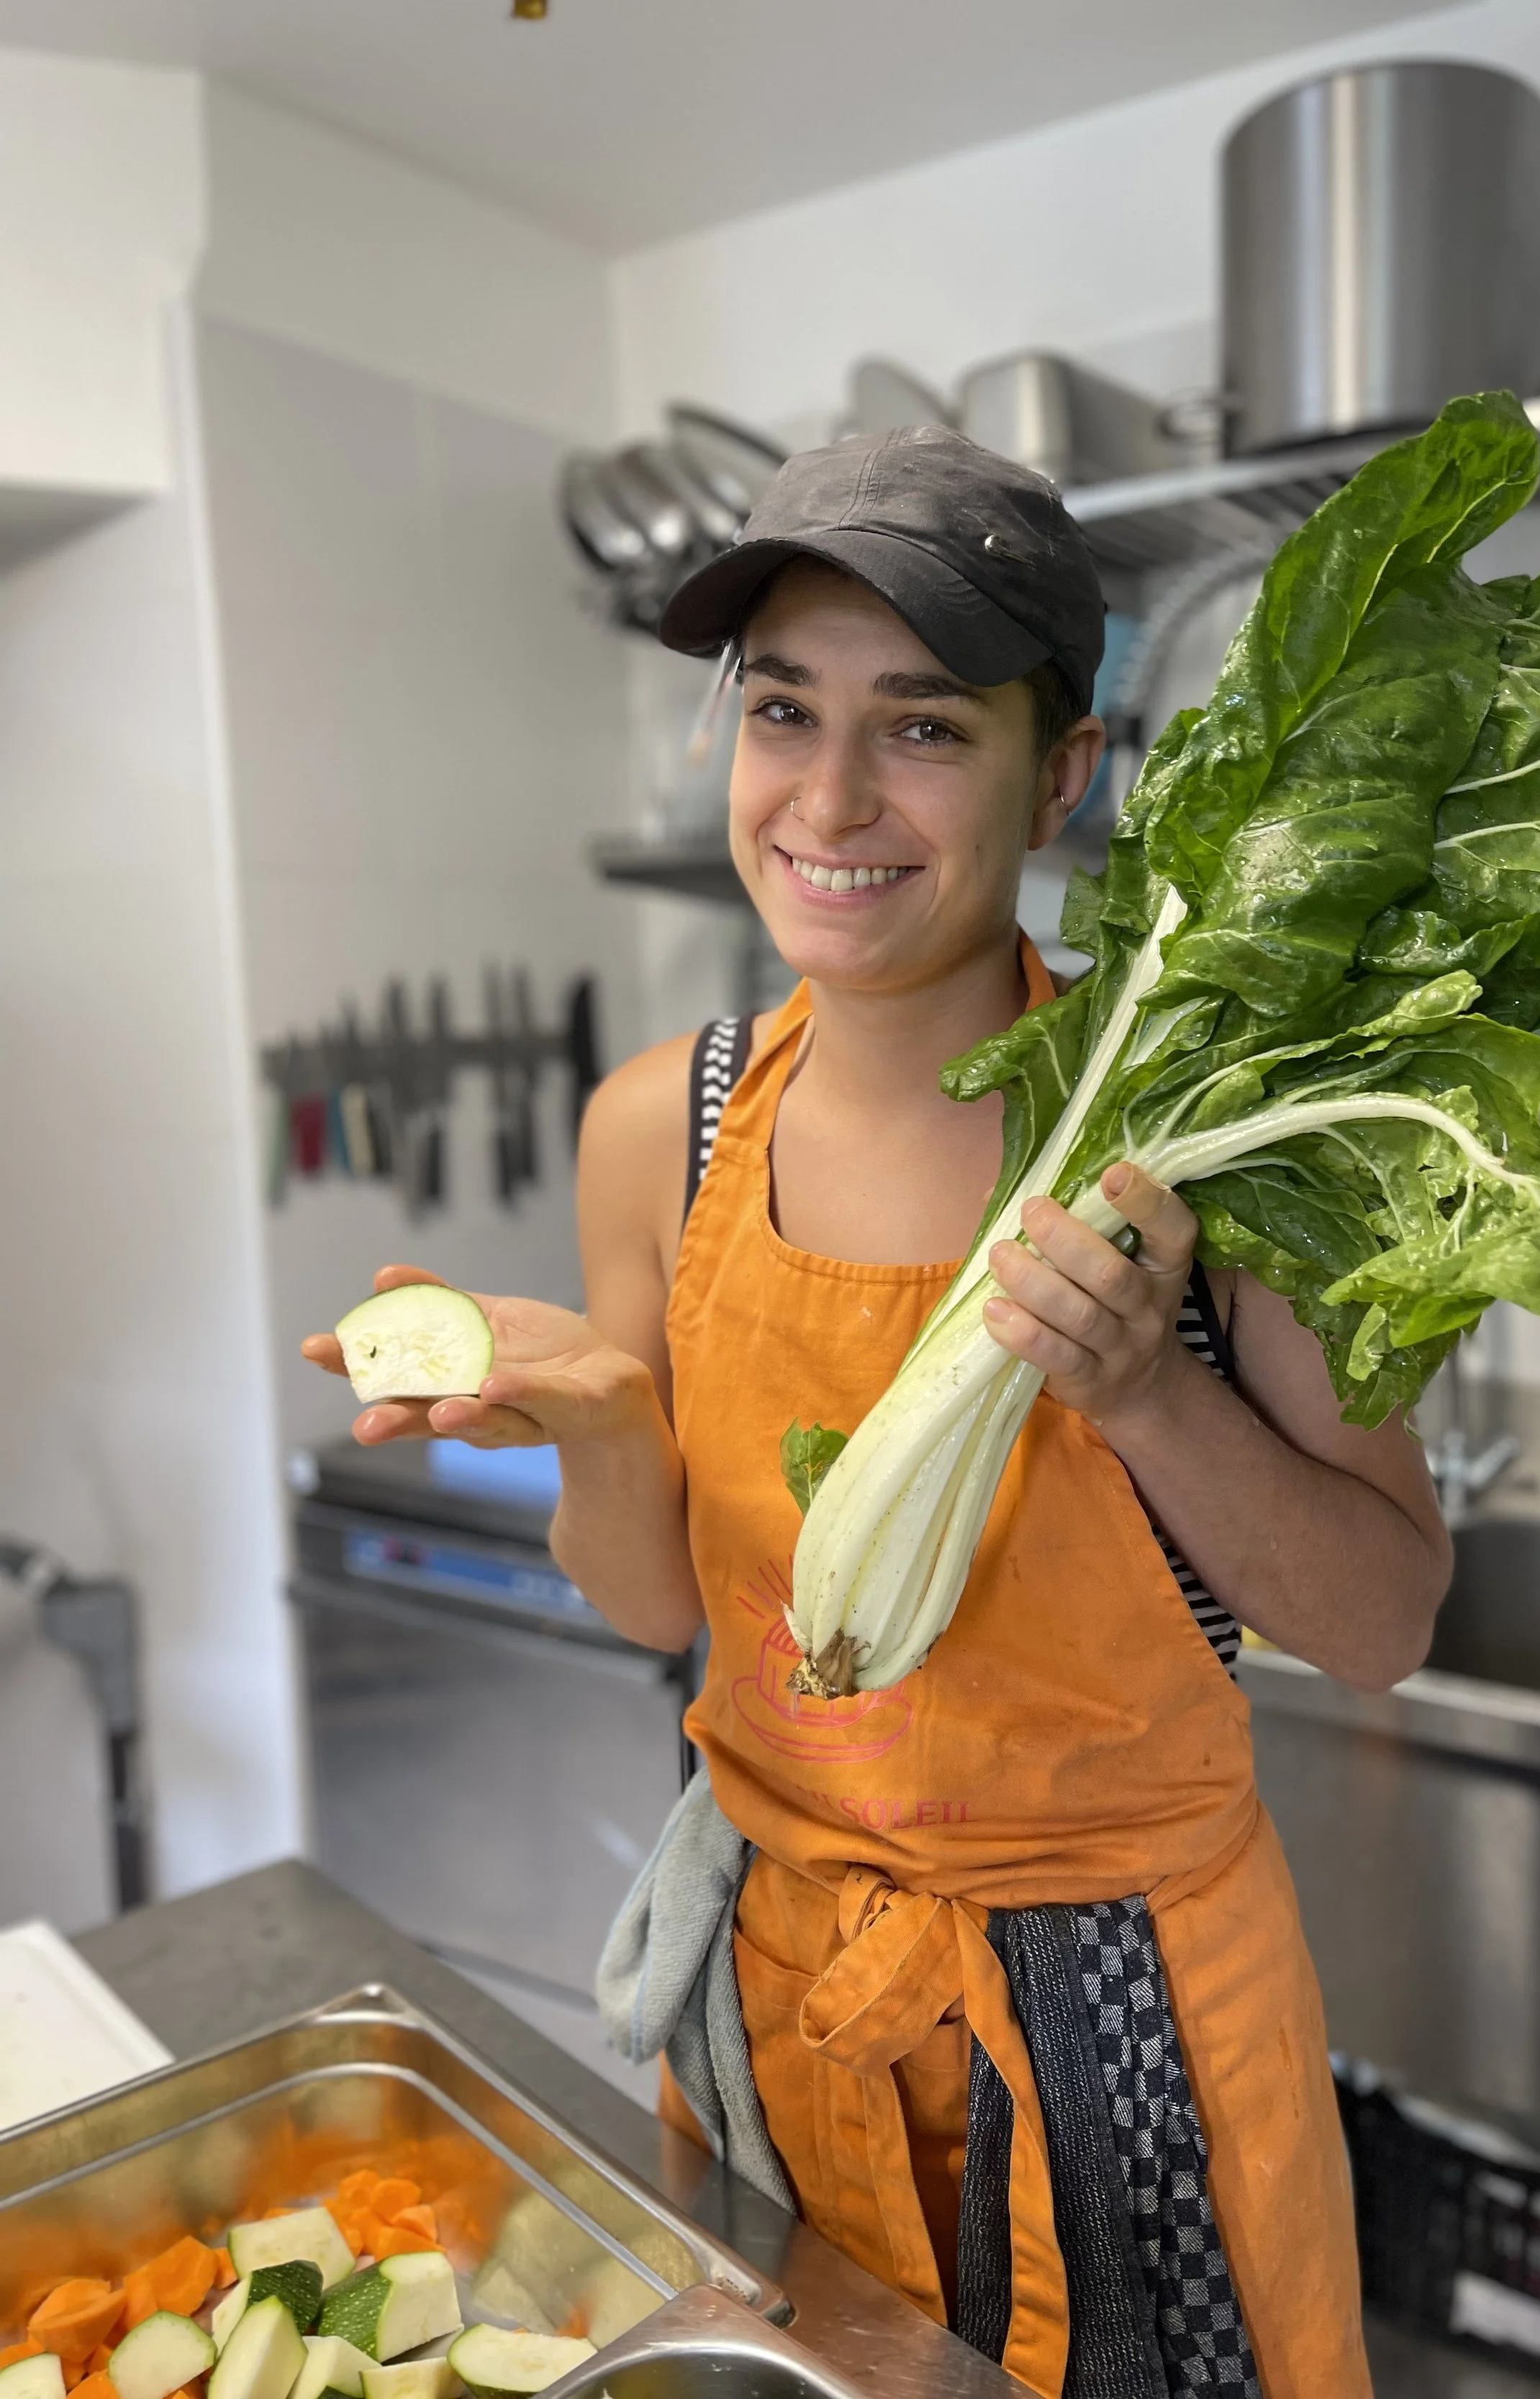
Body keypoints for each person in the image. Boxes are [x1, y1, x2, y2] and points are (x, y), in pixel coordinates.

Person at [306, 427, 1451, 2398]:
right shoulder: (651, 1128)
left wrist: (1140, 1399)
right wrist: (584, 1409)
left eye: (921, 726)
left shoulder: (1222, 1137)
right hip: (773, 2002)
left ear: (1062, 769)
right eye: (780, 711)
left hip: (1133, 2035)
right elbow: (665, 1612)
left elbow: (1382, 1621)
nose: (828, 799)